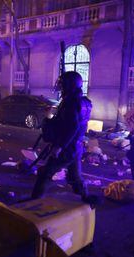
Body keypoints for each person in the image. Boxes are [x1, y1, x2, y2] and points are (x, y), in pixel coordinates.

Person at [31, 71, 99, 205]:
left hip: (67, 147)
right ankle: (86, 197)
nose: (61, 86)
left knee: (45, 173)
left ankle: (33, 203)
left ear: (70, 85)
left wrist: (59, 146)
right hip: (75, 146)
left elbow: (72, 127)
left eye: (63, 84)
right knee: (75, 176)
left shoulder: (71, 102)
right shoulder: (81, 100)